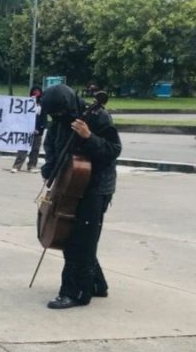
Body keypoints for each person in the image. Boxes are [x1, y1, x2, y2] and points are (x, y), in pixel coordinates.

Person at [39, 84, 121, 310]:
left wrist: (88, 137)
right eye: (53, 115)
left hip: (95, 186)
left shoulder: (97, 117)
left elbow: (113, 150)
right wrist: (50, 167)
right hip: (69, 185)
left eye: (60, 114)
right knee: (77, 237)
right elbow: (53, 146)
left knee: (80, 240)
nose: (57, 118)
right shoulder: (59, 121)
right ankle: (96, 283)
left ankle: (75, 292)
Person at [11, 86, 45, 173]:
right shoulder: (27, 102)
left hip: (37, 130)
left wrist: (40, 129)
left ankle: (32, 166)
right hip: (26, 130)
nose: (36, 93)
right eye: (34, 91)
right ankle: (17, 166)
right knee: (23, 148)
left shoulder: (43, 103)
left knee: (35, 149)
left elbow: (43, 118)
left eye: (38, 91)